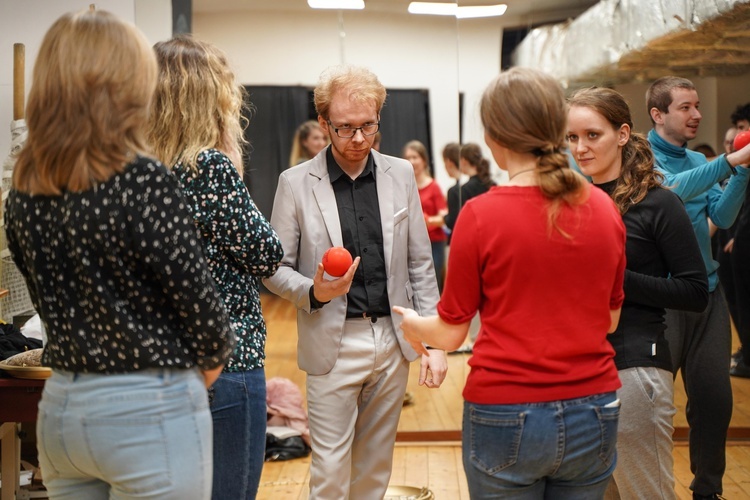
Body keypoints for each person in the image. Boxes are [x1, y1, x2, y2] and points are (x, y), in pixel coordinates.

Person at [4, 10, 236, 499]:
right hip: (148, 408)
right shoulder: (143, 180)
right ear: (130, 84)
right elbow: (209, 328)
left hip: (63, 408)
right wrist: (179, 398)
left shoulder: (24, 191)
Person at [394, 67, 627, 499]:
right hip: (595, 407)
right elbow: (610, 321)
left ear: (493, 137)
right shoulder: (603, 207)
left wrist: (411, 325)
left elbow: (450, 332)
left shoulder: (481, 215)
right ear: (558, 131)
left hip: (506, 411)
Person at [263, 64, 448, 500]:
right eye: (345, 128)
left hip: (392, 336)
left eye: (368, 126)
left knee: (374, 466)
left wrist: (436, 344)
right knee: (329, 468)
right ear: (324, 123)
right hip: (333, 340)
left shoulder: (401, 174)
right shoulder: (294, 184)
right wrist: (313, 291)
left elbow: (421, 263)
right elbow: (274, 267)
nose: (359, 139)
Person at [147, 36, 284, 500]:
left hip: (157, 366)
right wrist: (233, 162)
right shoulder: (208, 167)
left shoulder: (136, 172)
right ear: (211, 99)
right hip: (227, 362)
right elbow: (266, 253)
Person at [568, 87, 709, 500]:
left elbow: (695, 291)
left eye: (592, 135)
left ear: (624, 134)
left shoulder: (659, 204)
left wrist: (616, 278)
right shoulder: (579, 202)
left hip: (635, 370)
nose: (581, 147)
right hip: (582, 371)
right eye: (572, 138)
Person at [646, 76, 750, 500]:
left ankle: (708, 491)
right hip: (661, 299)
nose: (697, 114)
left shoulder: (694, 160)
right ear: (658, 114)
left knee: (714, 401)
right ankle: (651, 489)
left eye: (697, 106)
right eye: (685, 107)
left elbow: (722, 218)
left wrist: (741, 171)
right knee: (652, 408)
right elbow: (668, 193)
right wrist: (729, 160)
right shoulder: (639, 159)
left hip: (707, 296)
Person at [403, 140, 448, 291]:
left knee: (432, 285)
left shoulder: (433, 186)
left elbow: (444, 218)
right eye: (408, 157)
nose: (411, 161)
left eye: (415, 157)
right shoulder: (405, 186)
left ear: (423, 160)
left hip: (433, 243)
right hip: (410, 244)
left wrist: (427, 220)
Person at [444, 142, 495, 233]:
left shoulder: (461, 191)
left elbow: (454, 222)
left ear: (463, 161)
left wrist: (444, 217)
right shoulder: (492, 184)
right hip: (492, 232)